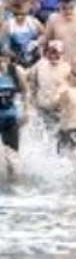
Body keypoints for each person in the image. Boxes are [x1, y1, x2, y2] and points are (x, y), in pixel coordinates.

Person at [0, 46, 28, 180]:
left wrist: (27, 111)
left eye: (5, 59)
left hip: (10, 118)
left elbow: (26, 92)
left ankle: (14, 180)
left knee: (13, 156)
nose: (2, 63)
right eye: (0, 60)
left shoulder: (15, 71)